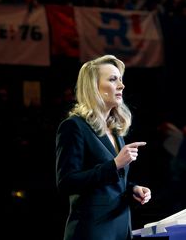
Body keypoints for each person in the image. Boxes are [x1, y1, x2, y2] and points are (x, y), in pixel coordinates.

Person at [55, 54, 151, 240]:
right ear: (93, 87)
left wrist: (132, 188)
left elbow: (110, 182)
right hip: (93, 231)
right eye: (113, 79)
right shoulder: (74, 126)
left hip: (121, 229)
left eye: (121, 80)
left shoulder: (115, 130)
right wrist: (114, 165)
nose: (121, 86)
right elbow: (66, 183)